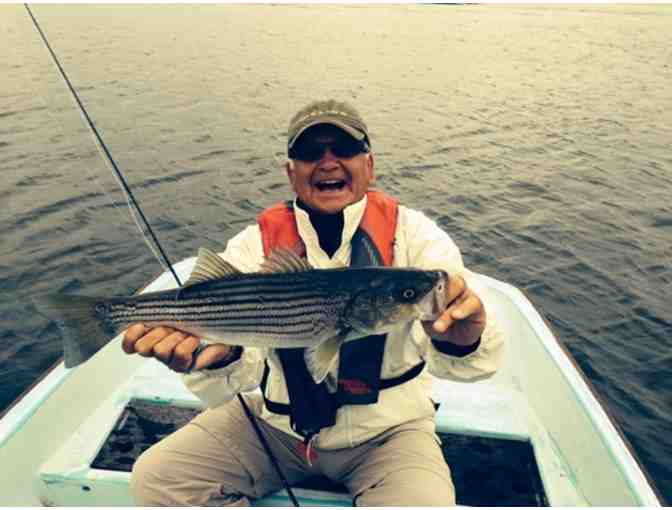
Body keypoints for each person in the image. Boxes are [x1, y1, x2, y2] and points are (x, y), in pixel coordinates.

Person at [123, 99, 504, 506]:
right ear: (291, 172)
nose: (328, 162)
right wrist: (221, 357)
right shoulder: (253, 245)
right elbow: (235, 379)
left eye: (344, 149)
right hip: (275, 427)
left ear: (369, 165)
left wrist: (463, 340)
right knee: (157, 479)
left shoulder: (418, 239)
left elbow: (470, 364)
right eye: (309, 152)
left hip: (389, 434)